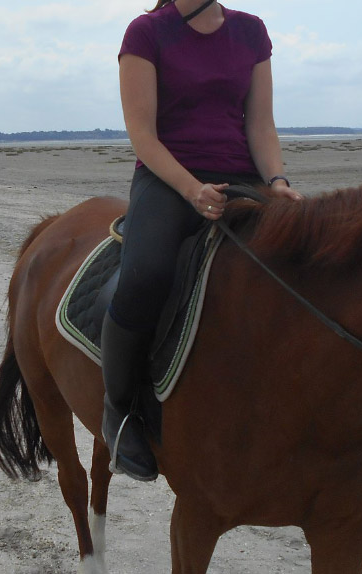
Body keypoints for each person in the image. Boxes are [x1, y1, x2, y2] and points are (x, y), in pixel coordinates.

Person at [102, 0, 303, 481]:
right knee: (146, 273)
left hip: (242, 175)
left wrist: (276, 181)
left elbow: (260, 123)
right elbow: (142, 134)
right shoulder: (146, 32)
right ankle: (119, 407)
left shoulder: (251, 31)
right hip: (167, 178)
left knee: (302, 267)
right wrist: (191, 189)